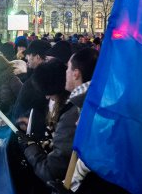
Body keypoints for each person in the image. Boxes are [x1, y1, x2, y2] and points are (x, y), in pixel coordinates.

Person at [20, 49, 98, 184]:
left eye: (68, 67)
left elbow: (52, 171)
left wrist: (30, 147)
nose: (65, 72)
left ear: (76, 74)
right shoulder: (84, 103)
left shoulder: (74, 113)